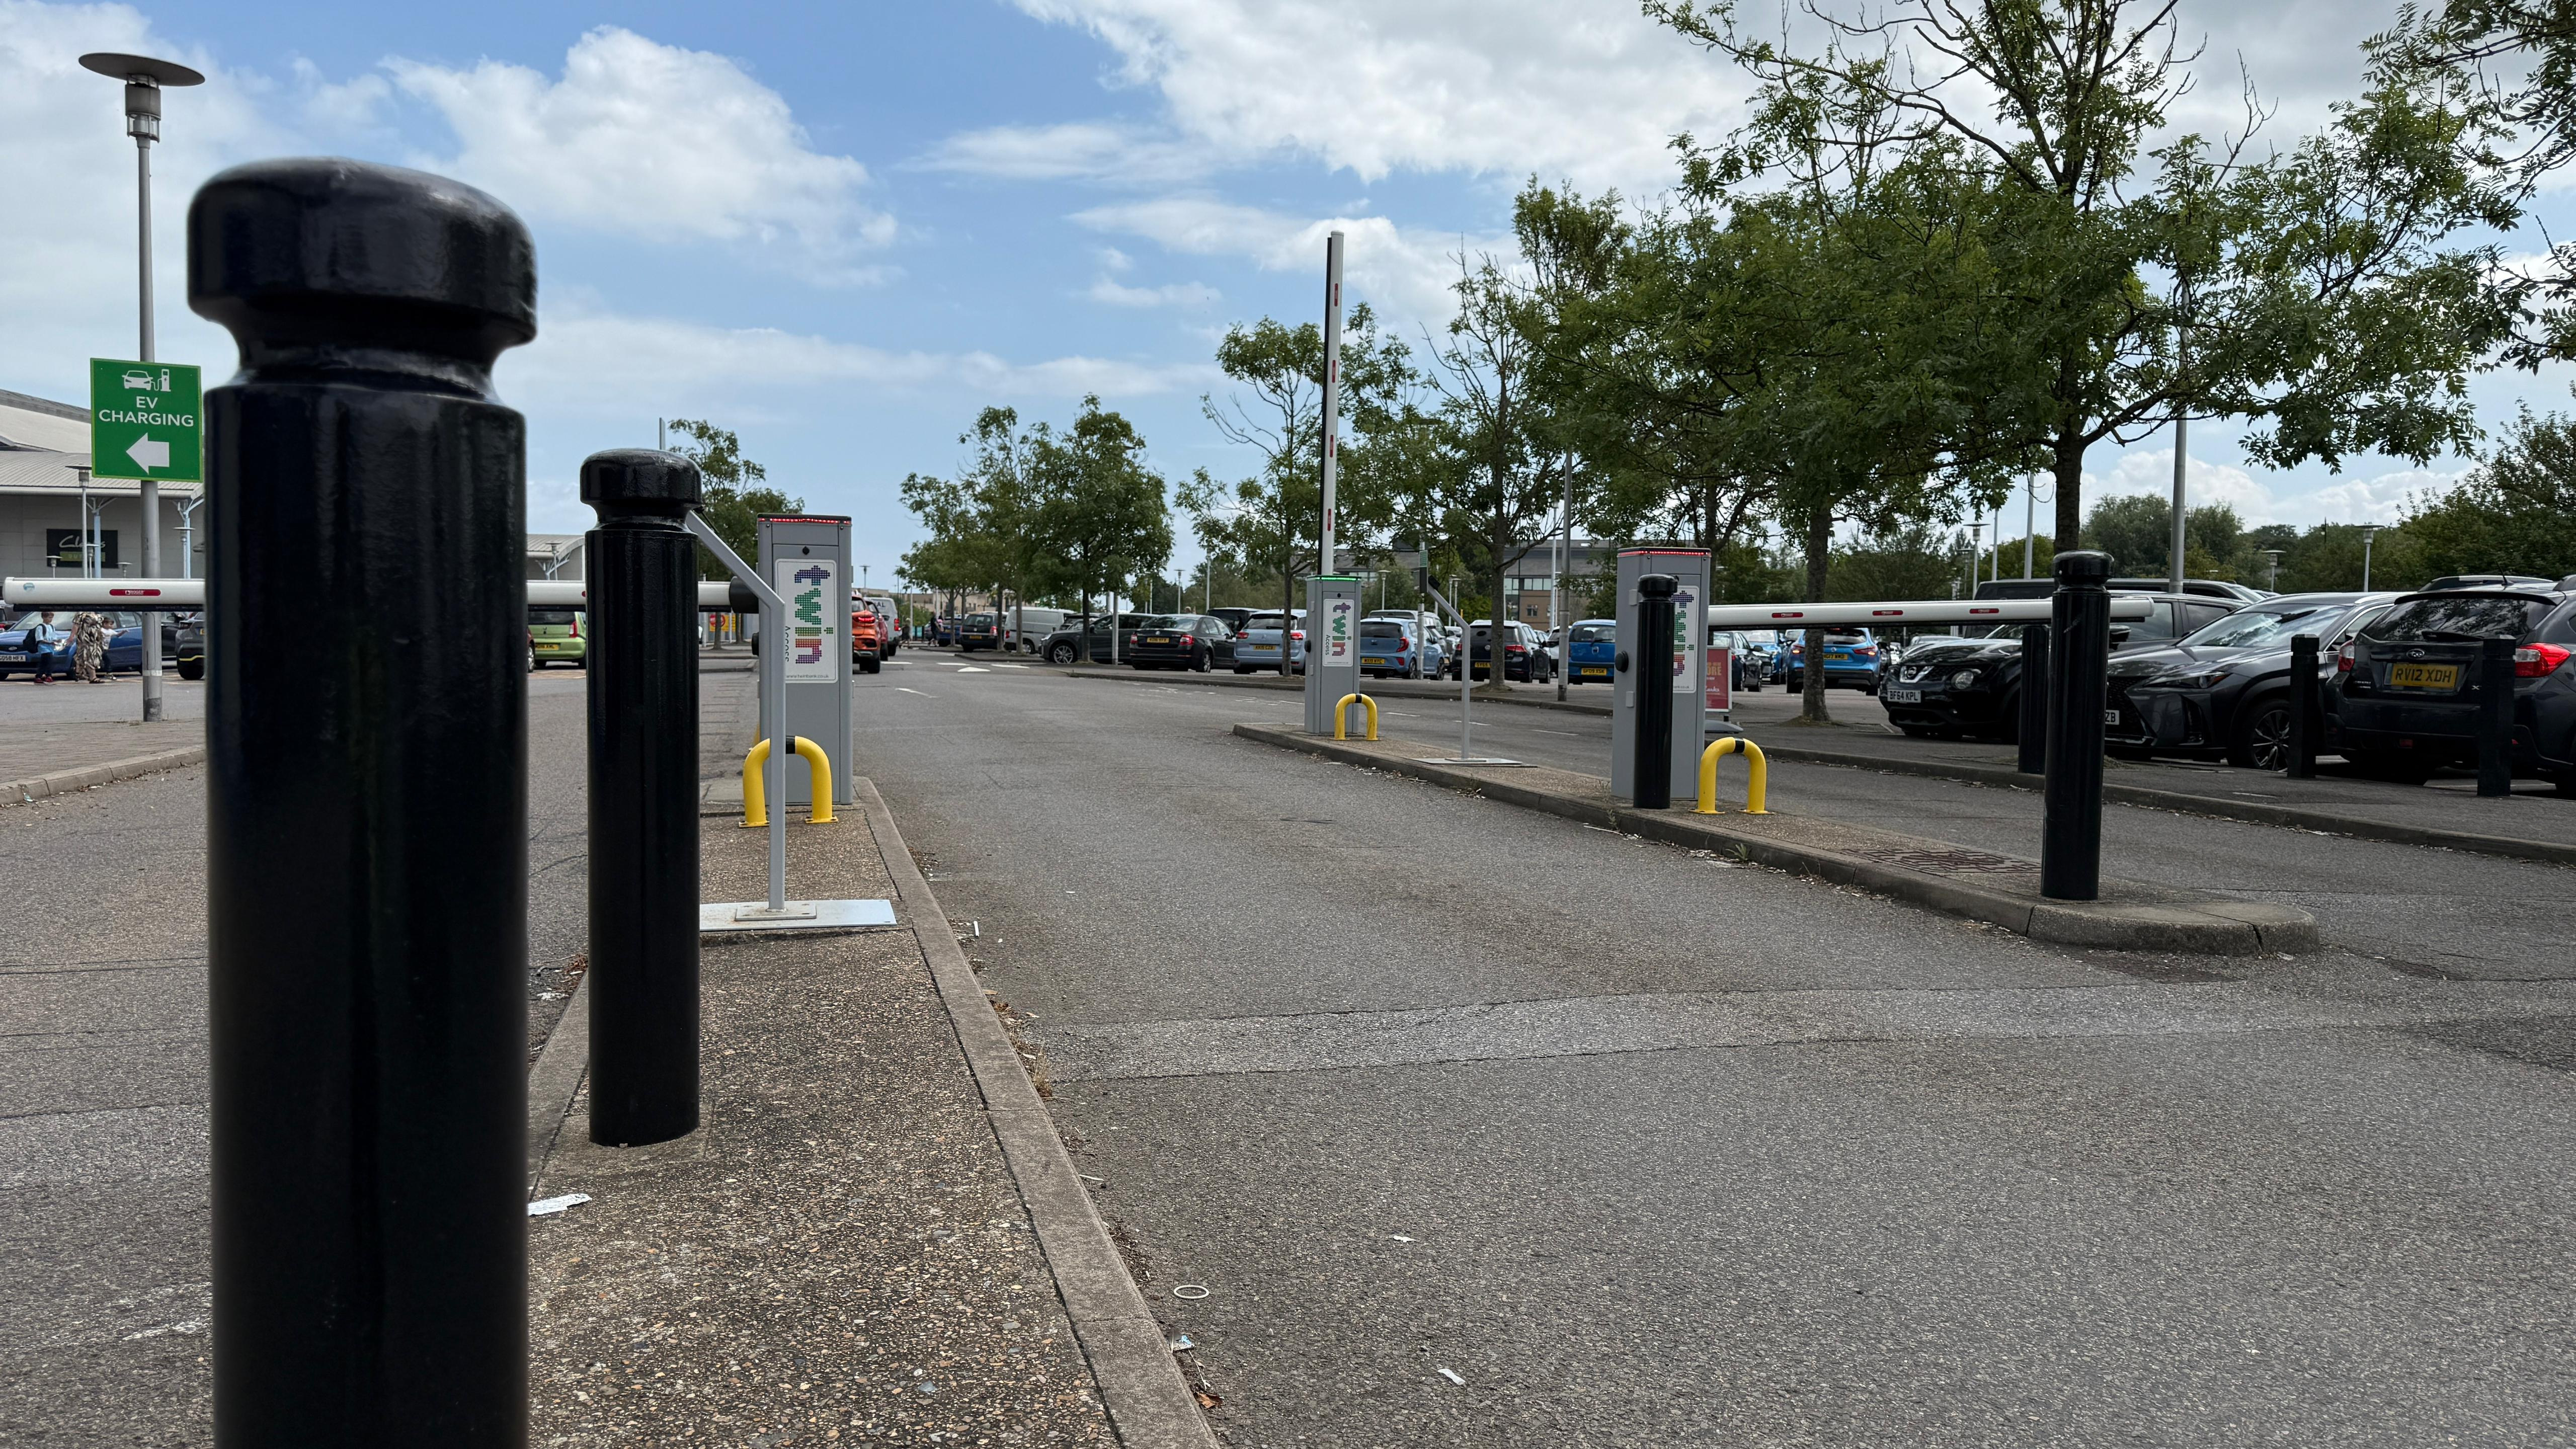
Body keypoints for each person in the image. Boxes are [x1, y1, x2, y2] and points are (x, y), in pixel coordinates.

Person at [24, 610, 59, 684]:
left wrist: (57, 642)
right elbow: (40, 639)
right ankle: (44, 675)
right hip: (44, 648)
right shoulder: (40, 627)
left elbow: (54, 636)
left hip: (50, 648)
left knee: (47, 662)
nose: (51, 620)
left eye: (52, 618)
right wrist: (50, 643)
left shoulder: (52, 627)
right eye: (49, 618)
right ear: (44, 617)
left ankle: (44, 675)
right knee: (47, 661)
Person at [72, 611, 108, 683]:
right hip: (86, 639)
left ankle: (79, 672)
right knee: (89, 656)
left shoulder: (97, 613)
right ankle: (93, 677)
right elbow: (76, 625)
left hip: (96, 640)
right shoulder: (81, 613)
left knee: (92, 656)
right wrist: (72, 637)